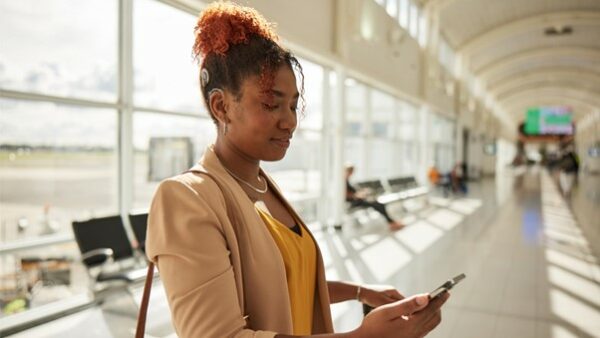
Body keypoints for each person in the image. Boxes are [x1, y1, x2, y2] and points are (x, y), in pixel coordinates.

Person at [146, 3, 448, 337]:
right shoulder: (187, 199)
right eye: (271, 104)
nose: (290, 121)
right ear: (222, 107)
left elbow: (281, 285)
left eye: (292, 105)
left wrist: (360, 291)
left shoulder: (262, 184)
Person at [345, 165, 404, 231]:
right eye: (350, 171)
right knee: (378, 204)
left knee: (378, 203)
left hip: (358, 200)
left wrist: (362, 193)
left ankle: (391, 222)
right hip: (354, 202)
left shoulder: (347, 180)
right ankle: (391, 223)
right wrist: (358, 195)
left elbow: (353, 193)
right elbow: (348, 195)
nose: (351, 173)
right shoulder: (343, 181)